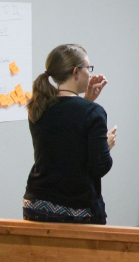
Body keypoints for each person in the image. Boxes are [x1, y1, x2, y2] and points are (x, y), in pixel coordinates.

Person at [23, 44, 117, 225]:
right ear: (75, 72)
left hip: (35, 206)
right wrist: (105, 145)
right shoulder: (93, 112)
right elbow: (100, 167)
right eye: (88, 68)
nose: (89, 74)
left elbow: (64, 139)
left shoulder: (38, 107)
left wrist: (86, 101)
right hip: (77, 210)